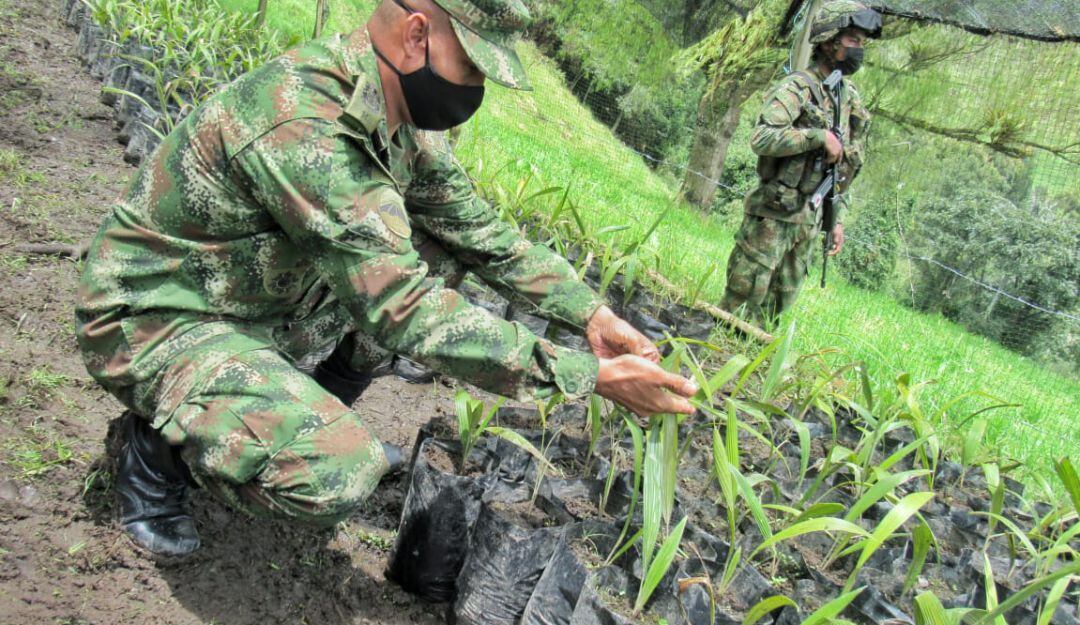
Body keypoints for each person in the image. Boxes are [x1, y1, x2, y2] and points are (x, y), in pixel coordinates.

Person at [75, 0, 698, 557]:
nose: (476, 88)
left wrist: (593, 317)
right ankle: (156, 454)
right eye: (473, 66)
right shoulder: (305, 122)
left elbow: (481, 233)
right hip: (162, 317)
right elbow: (399, 307)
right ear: (417, 35)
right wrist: (588, 377)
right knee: (338, 471)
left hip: (254, 301)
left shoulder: (392, 113)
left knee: (437, 245)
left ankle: (310, 405)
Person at [719, 0, 881, 324]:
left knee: (775, 309)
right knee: (739, 303)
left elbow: (845, 167)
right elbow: (762, 138)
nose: (858, 50)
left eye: (862, 43)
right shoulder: (798, 88)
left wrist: (836, 220)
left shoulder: (849, 98)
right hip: (773, 216)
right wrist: (817, 137)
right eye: (853, 41)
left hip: (810, 219)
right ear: (830, 39)